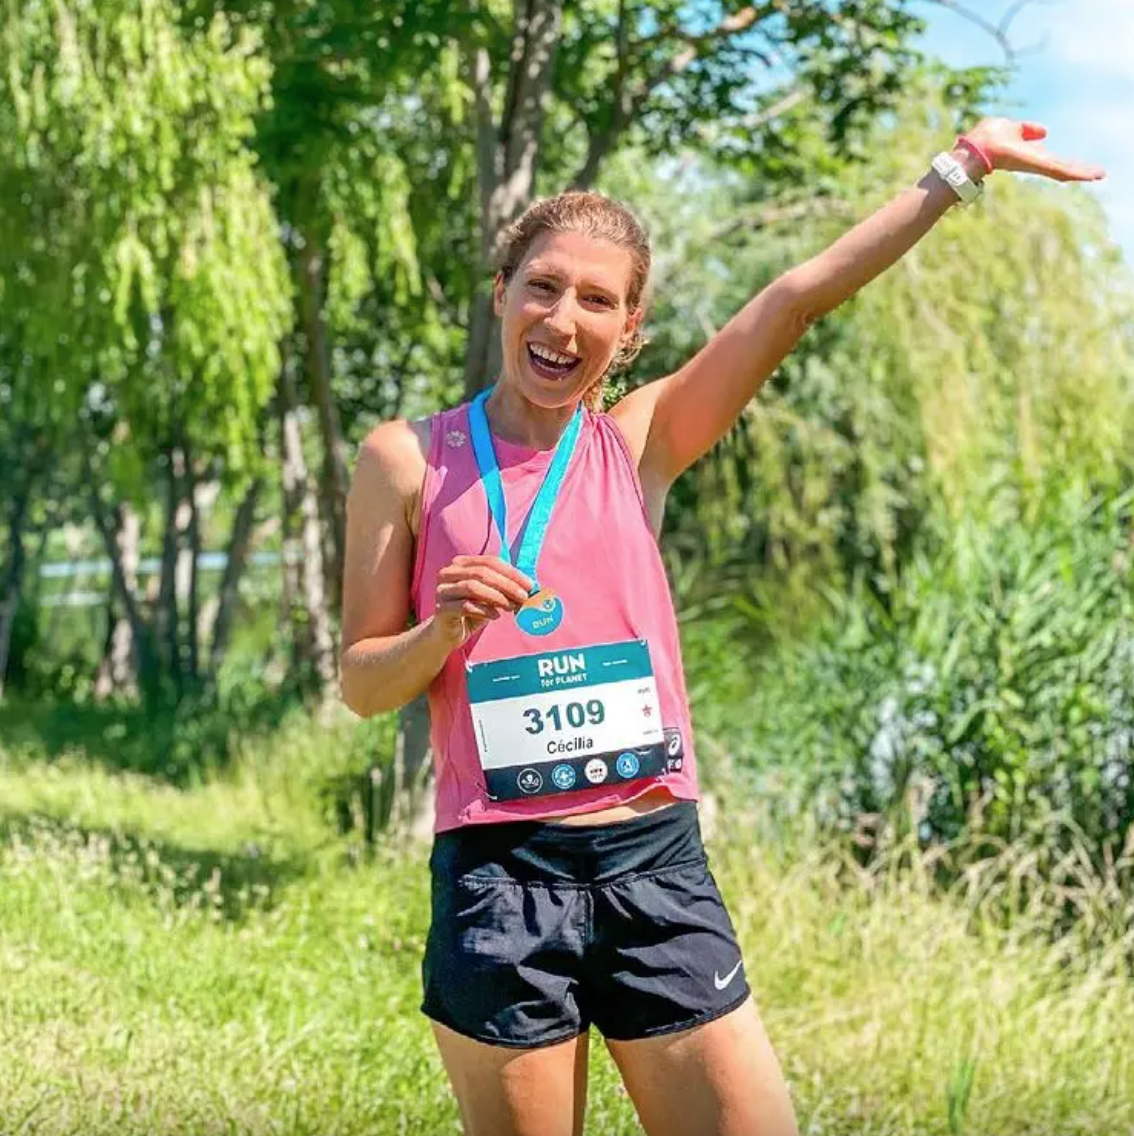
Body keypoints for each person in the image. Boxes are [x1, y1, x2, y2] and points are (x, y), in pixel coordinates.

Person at [340, 119, 1103, 1136]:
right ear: (503, 293)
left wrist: (964, 165)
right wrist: (439, 628)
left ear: (632, 328)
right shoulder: (407, 460)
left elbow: (798, 297)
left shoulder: (637, 442)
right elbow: (361, 679)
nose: (564, 317)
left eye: (598, 299)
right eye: (543, 285)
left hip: (653, 862)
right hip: (501, 875)